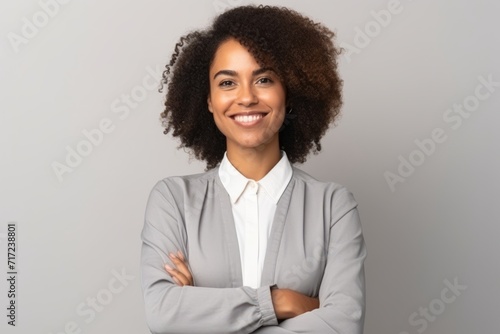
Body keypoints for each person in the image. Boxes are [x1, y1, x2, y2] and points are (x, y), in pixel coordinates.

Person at [141, 5, 366, 334]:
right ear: (208, 100)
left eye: (263, 79)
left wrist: (202, 311)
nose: (245, 98)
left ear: (289, 93)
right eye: (227, 83)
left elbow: (343, 326)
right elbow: (163, 314)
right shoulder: (174, 201)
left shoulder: (332, 207)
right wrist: (280, 302)